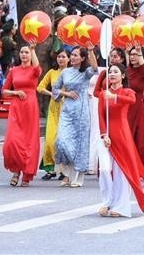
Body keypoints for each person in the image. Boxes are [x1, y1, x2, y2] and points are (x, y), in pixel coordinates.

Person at [95, 63, 144, 217]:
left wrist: (115, 97)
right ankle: (107, 201)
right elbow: (101, 116)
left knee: (120, 172)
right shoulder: (104, 94)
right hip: (106, 137)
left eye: (115, 72)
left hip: (122, 135)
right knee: (104, 169)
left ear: (123, 76)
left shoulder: (127, 92)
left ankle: (120, 205)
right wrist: (104, 135)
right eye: (110, 72)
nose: (112, 74)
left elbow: (131, 100)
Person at [53, 46, 98, 187]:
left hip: (81, 111)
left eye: (76, 55)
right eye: (71, 55)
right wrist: (66, 94)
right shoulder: (65, 72)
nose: (72, 57)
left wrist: (90, 51)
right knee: (61, 141)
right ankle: (68, 172)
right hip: (67, 110)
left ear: (82, 58)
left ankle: (78, 176)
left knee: (80, 143)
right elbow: (55, 88)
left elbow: (95, 69)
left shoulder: (85, 72)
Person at [1, 44, 41, 186]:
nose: (24, 55)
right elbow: (4, 91)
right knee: (12, 141)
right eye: (22, 52)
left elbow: (37, 68)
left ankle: (25, 175)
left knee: (29, 141)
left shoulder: (34, 70)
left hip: (30, 106)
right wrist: (16, 92)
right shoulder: (14, 71)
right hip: (16, 107)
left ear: (30, 55)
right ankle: (16, 170)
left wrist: (33, 49)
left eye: (27, 52)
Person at [37, 48, 69, 180]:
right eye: (59, 57)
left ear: (69, 59)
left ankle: (64, 170)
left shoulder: (73, 73)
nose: (60, 59)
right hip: (53, 110)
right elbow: (40, 87)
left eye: (63, 57)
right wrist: (51, 93)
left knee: (63, 141)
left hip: (68, 110)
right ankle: (50, 169)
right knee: (50, 141)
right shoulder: (52, 72)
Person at [126, 46, 144, 164]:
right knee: (127, 136)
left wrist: (140, 51)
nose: (132, 56)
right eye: (131, 54)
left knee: (141, 139)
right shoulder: (126, 71)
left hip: (139, 106)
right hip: (126, 107)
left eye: (136, 54)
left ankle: (139, 167)